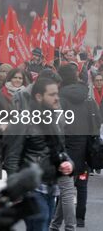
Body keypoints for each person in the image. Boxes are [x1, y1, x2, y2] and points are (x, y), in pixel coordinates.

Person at [2, 78, 74, 231]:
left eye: (57, 94)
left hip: (50, 187)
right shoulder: (24, 120)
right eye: (52, 94)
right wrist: (15, 189)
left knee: (44, 224)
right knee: (40, 225)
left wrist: (68, 164)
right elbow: (12, 157)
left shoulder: (54, 120)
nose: (57, 98)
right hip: (31, 188)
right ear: (39, 96)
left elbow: (61, 151)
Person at [52, 64, 101, 230]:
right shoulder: (88, 97)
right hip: (85, 147)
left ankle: (67, 225)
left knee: (65, 189)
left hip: (65, 147)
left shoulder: (59, 97)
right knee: (77, 186)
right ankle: (70, 221)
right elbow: (97, 120)